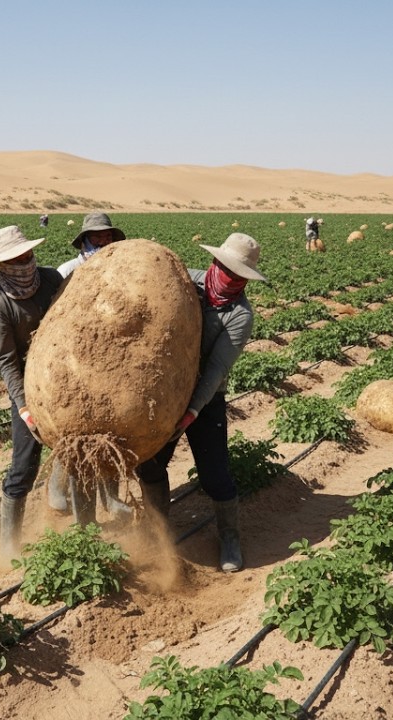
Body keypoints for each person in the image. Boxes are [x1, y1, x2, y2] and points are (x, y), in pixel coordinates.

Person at [135, 232, 265, 572]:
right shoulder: (185, 282)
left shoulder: (240, 315)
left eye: (240, 276)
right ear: (215, 263)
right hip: (165, 395)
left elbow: (217, 369)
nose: (231, 280)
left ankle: (230, 539)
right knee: (148, 463)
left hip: (205, 400)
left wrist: (192, 410)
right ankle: (157, 531)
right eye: (228, 270)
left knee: (215, 474)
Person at [0, 226, 63, 557]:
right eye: (15, 259)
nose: (25, 263)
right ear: (1, 266)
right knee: (25, 464)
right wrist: (25, 408)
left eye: (27, 255)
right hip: (29, 388)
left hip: (65, 381)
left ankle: (71, 512)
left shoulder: (52, 280)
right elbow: (7, 363)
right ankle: (9, 546)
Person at [47, 212, 133, 524]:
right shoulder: (68, 272)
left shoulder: (122, 272)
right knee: (75, 435)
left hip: (111, 366)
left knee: (110, 433)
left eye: (107, 237)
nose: (102, 241)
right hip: (73, 368)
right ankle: (66, 498)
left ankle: (110, 498)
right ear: (83, 240)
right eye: (96, 237)